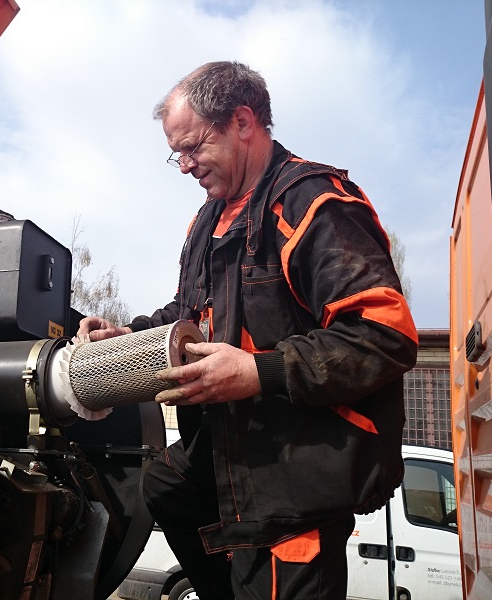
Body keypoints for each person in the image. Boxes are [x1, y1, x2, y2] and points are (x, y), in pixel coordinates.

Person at [77, 61, 418, 600]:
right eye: (175, 154)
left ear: (242, 122)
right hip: (232, 456)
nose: (184, 166)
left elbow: (383, 336)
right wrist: (129, 336)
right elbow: (190, 310)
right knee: (166, 486)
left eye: (192, 147)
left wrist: (257, 372)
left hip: (295, 473)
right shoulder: (207, 222)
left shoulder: (313, 203)